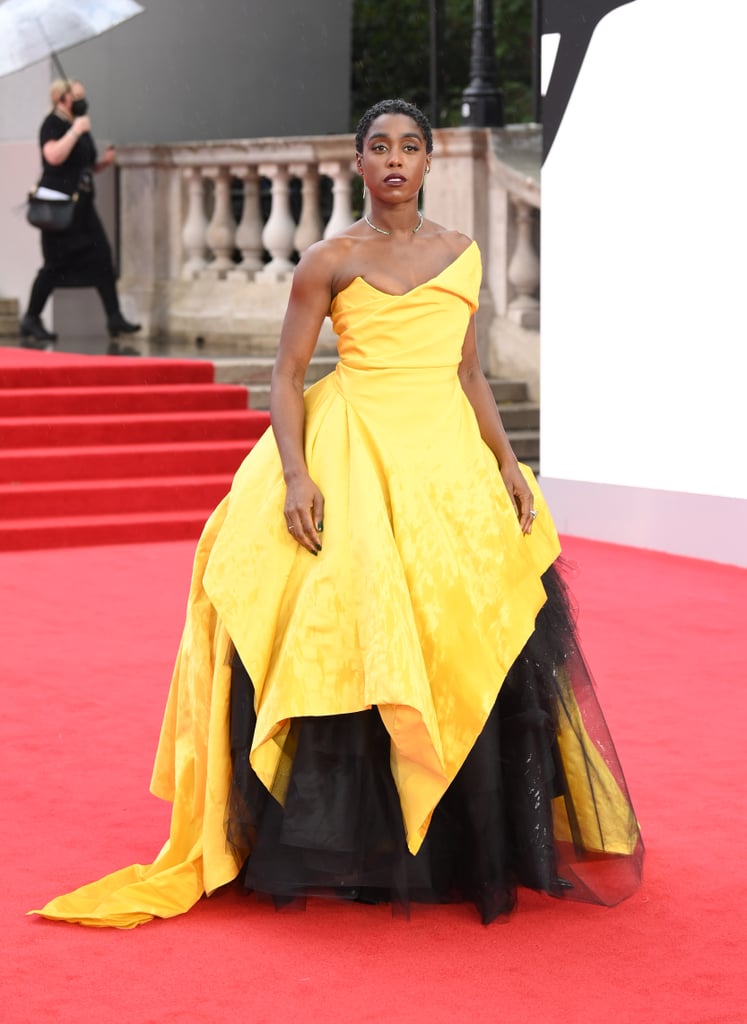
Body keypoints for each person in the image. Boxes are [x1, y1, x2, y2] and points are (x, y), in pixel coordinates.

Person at [31, 99, 643, 928]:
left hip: (446, 469)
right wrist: (293, 475)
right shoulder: (326, 260)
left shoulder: (462, 257)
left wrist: (504, 459)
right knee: (354, 636)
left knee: (467, 634)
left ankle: (466, 840)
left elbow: (466, 374)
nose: (395, 159)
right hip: (355, 455)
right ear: (357, 163)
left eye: (411, 147)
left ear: (428, 162)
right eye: (379, 147)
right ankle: (361, 849)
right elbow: (286, 375)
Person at [20, 78, 141, 354]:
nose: (82, 101)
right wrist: (75, 132)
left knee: (102, 257)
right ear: (62, 98)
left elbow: (80, 164)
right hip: (59, 208)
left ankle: (114, 317)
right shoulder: (54, 123)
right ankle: (31, 318)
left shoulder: (80, 123)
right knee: (53, 265)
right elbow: (53, 157)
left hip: (83, 206)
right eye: (77, 96)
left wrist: (102, 164)